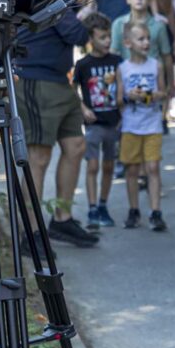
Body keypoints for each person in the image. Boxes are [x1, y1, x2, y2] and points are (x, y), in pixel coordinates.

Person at [15, 7, 100, 247]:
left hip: (60, 80)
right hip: (35, 81)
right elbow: (77, 35)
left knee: (76, 146)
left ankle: (63, 220)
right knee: (38, 157)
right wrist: (80, 17)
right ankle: (30, 234)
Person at [117, 19, 167, 231]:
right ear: (128, 43)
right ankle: (134, 209)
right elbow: (119, 99)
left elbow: (164, 92)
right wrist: (129, 96)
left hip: (152, 125)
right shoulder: (123, 68)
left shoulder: (156, 65)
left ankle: (156, 212)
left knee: (153, 167)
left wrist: (153, 95)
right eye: (141, 39)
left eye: (148, 38)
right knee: (132, 170)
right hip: (131, 126)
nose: (146, 42)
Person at [75, 12, 120, 230]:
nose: (107, 41)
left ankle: (103, 205)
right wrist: (83, 108)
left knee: (109, 165)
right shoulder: (83, 64)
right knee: (92, 165)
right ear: (91, 39)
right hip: (94, 124)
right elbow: (72, 88)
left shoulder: (117, 61)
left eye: (108, 36)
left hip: (114, 122)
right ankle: (92, 208)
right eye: (102, 37)